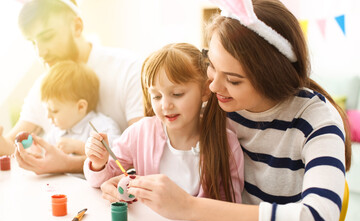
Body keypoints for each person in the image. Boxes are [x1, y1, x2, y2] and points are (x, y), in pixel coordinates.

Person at [101, 0, 351, 221]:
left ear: (272, 77)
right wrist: (115, 173)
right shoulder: (219, 106)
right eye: (211, 66)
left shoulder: (317, 122)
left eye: (233, 80)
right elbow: (155, 143)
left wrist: (189, 207)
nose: (213, 85)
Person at [84, 43, 244, 203]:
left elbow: (230, 207)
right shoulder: (139, 133)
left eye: (177, 94)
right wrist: (98, 163)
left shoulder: (226, 144)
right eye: (156, 96)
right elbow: (101, 179)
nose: (165, 105)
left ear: (205, 91)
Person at [4, 0, 143, 174]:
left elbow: (140, 154)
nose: (40, 53)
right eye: (33, 43)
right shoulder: (45, 84)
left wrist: (69, 163)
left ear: (77, 27)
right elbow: (10, 145)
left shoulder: (129, 69)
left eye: (47, 37)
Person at [40, 60, 120, 154]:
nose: (48, 116)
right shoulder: (56, 133)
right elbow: (44, 155)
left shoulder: (102, 126)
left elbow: (116, 155)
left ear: (81, 107)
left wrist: (80, 147)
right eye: (46, 110)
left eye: (54, 110)